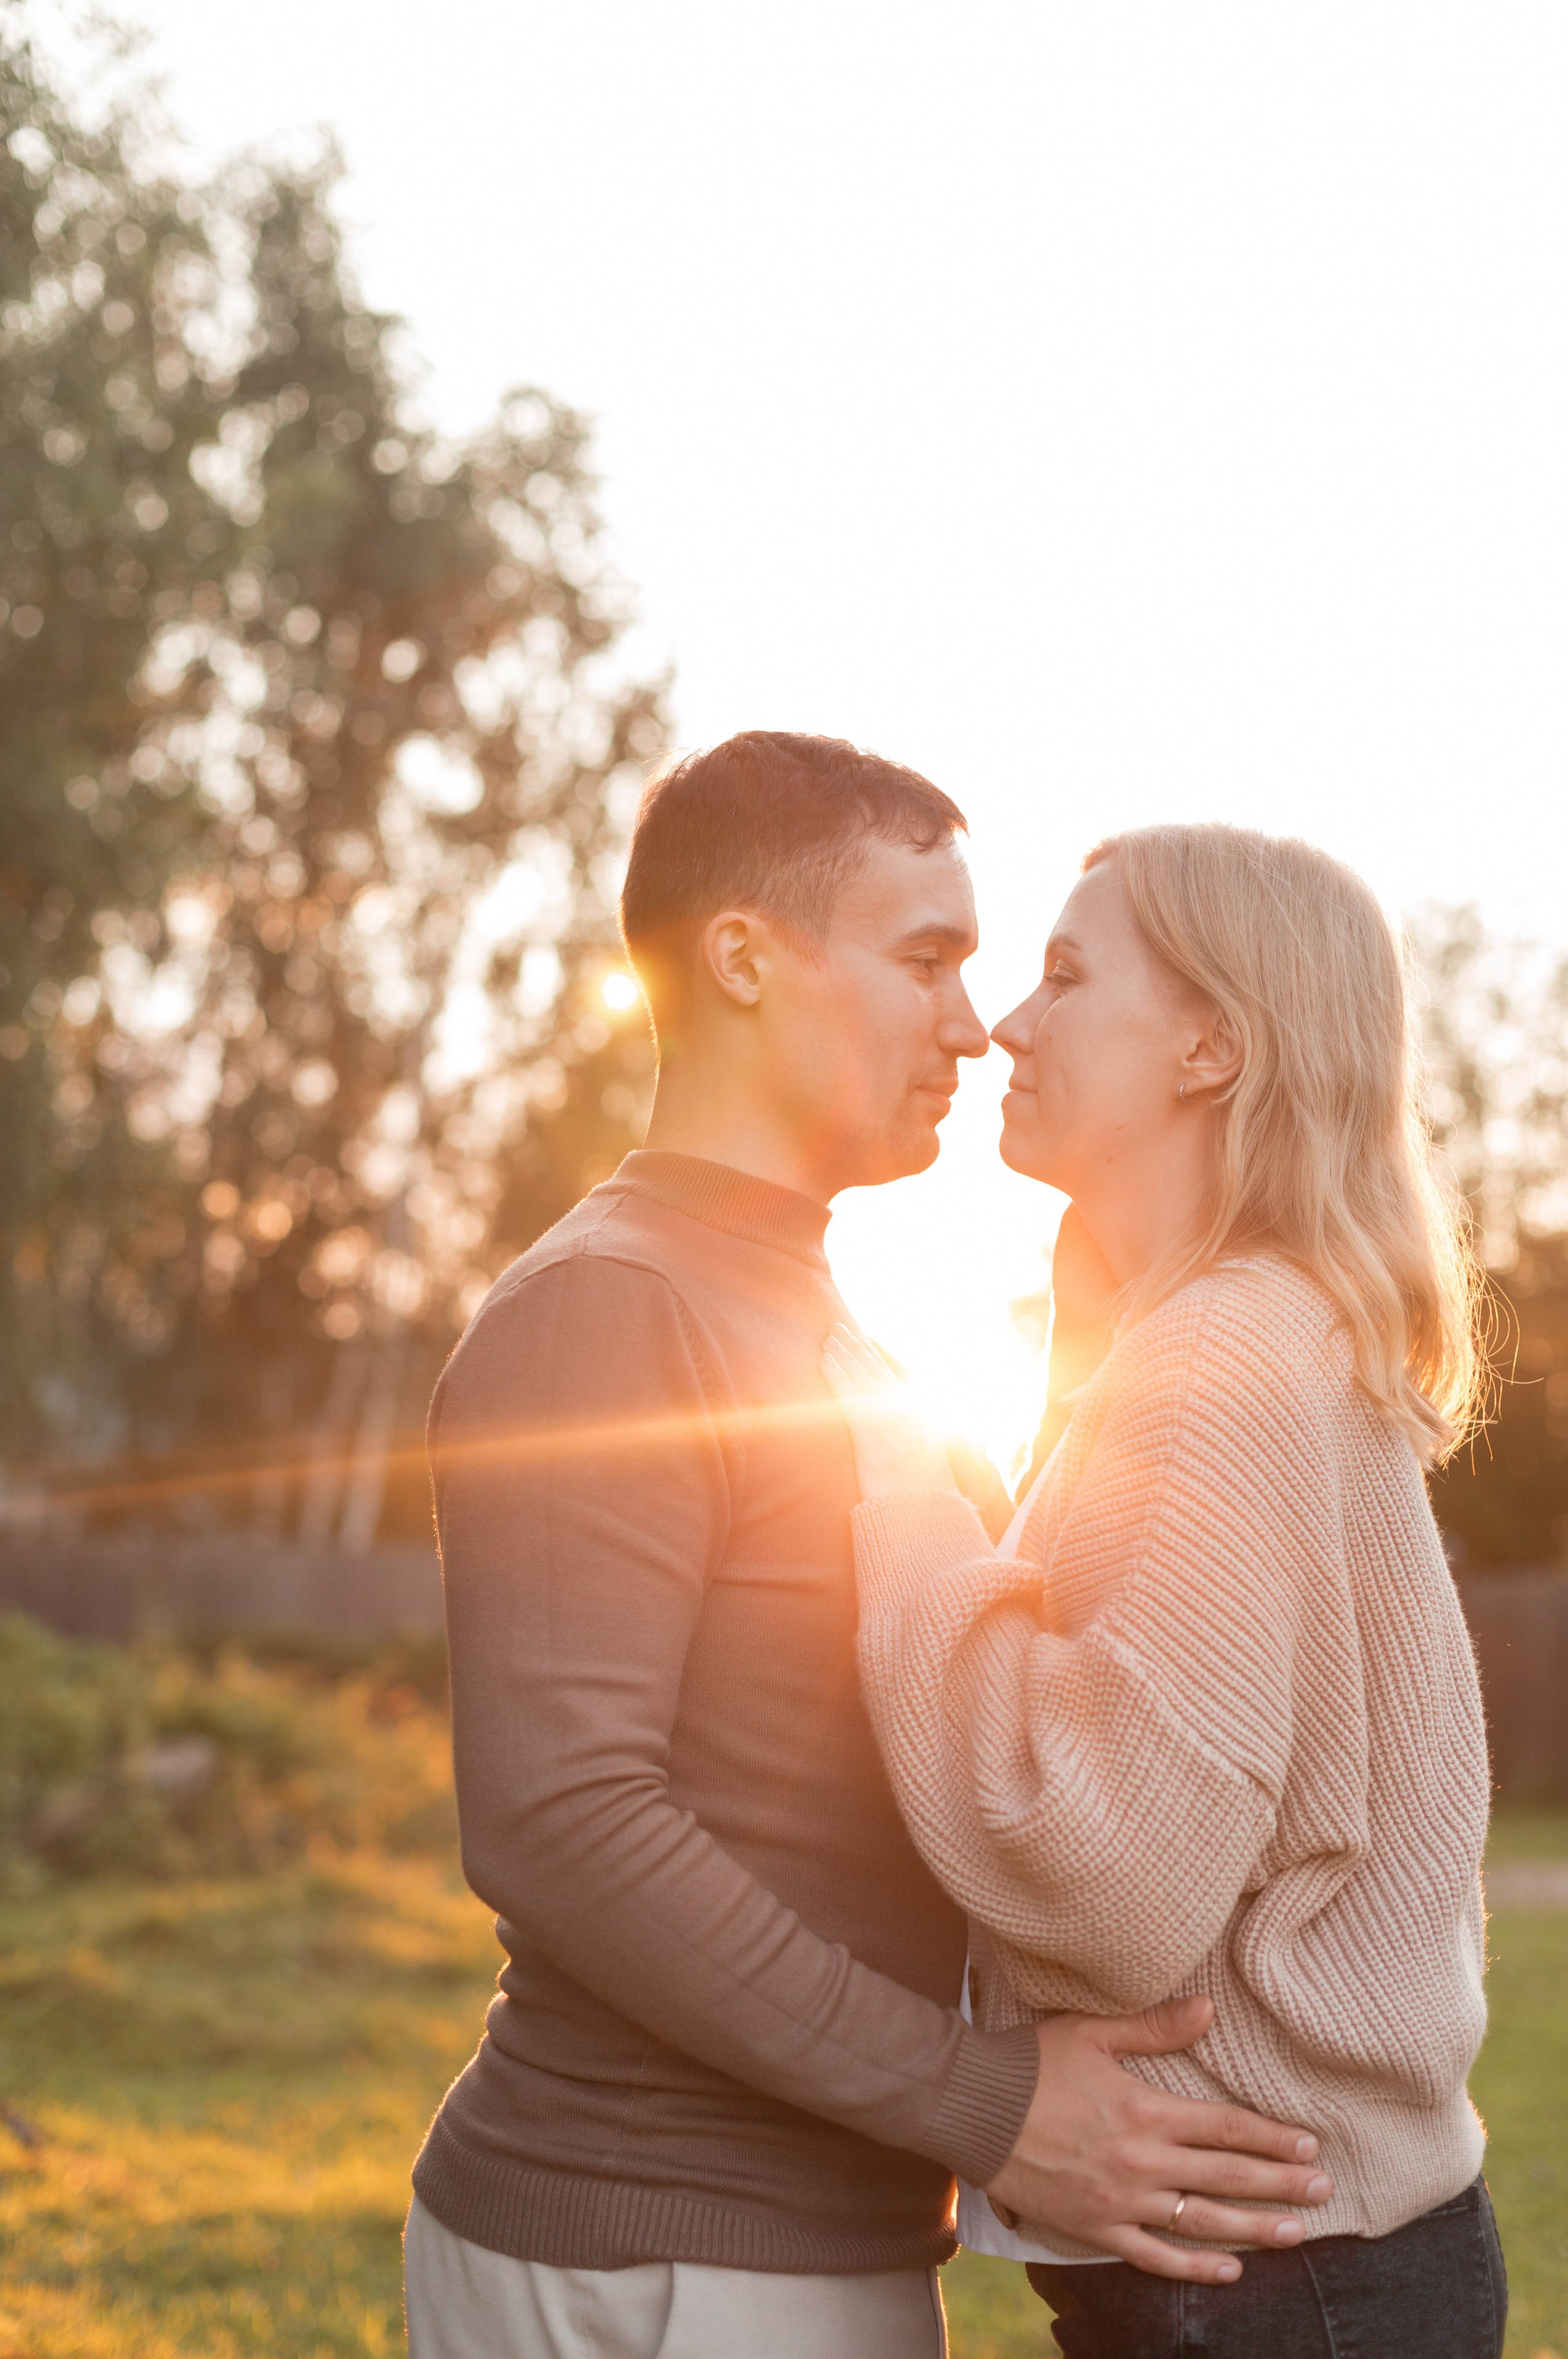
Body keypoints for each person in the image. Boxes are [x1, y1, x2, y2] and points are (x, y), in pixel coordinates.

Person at [404, 744, 1334, 2359]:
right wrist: (988, 2103)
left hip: (808, 2248)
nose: (972, 1025)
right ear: (744, 959)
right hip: (653, 2256)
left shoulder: (816, 1316)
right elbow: (563, 1821)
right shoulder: (609, 1309)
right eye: (926, 959)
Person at [824, 821, 1506, 2358]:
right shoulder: (1236, 1330)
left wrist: (903, 1506)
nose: (1006, 1024)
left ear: (1209, 1047)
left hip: (1273, 2282)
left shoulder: (1215, 1356)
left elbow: (1112, 1882)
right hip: (1306, 2259)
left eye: (1065, 978)